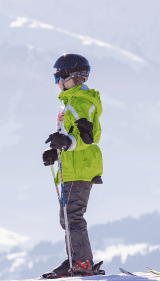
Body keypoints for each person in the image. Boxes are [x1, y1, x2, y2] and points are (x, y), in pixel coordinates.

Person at [41, 54, 105, 278]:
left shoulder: (80, 101)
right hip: (73, 165)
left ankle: (81, 262)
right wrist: (57, 150)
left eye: (58, 78)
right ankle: (77, 260)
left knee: (72, 216)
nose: (57, 83)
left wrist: (67, 143)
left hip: (80, 167)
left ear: (69, 77)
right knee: (68, 217)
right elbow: (71, 135)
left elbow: (86, 137)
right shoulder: (71, 101)